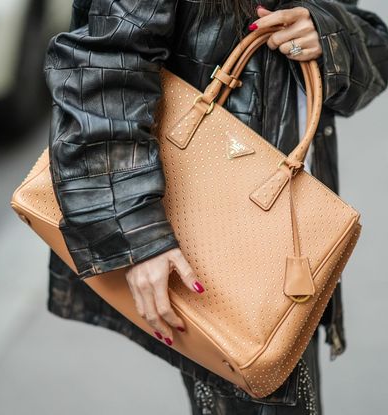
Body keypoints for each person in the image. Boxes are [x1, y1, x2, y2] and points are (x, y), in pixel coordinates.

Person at [44, 0, 388, 413]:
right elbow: (103, 63)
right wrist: (134, 230)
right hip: (197, 224)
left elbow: (375, 46)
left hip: (287, 216)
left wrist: (327, 31)